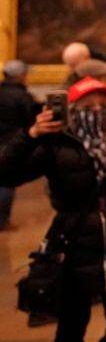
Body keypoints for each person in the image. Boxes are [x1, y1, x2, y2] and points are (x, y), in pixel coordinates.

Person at [0, 77, 106, 342]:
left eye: (101, 104)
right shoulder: (55, 145)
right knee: (71, 326)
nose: (95, 110)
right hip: (73, 244)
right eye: (86, 105)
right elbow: (7, 173)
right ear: (72, 108)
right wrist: (30, 134)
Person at [0, 60, 39, 230]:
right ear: (20, 76)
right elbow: (31, 120)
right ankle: (2, 221)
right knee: (6, 182)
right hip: (11, 142)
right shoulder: (22, 97)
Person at [62, 42, 106, 129]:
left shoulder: (76, 75)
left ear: (86, 57)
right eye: (69, 65)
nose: (71, 69)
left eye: (72, 65)